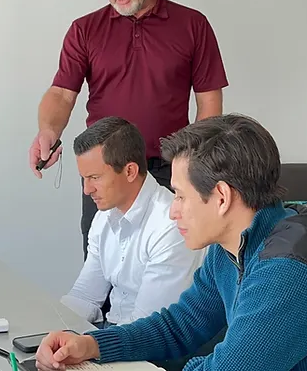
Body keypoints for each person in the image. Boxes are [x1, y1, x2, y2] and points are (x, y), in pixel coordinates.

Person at [35, 114, 307, 371]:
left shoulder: (287, 272)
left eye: (181, 196)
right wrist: (94, 345)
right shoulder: (232, 244)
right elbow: (180, 325)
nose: (173, 212)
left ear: (220, 197)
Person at [28, 0, 229, 258]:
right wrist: (48, 131)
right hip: (104, 170)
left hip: (169, 170)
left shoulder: (193, 25)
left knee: (173, 267)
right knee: (101, 270)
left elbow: (209, 105)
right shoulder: (84, 30)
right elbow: (61, 93)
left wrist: (194, 169)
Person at [59, 116, 206, 328]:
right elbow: (85, 297)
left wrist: (87, 347)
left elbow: (146, 328)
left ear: (130, 171)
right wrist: (51, 328)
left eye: (95, 177)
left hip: (152, 345)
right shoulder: (104, 217)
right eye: (84, 178)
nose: (87, 189)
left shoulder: (170, 224)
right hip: (116, 330)